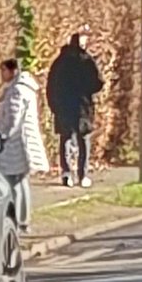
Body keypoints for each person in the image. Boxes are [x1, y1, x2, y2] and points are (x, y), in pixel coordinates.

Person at [0, 58, 50, 234]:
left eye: (3, 71)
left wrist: (3, 136)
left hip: (15, 144)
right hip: (22, 140)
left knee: (13, 181)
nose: (2, 75)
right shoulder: (25, 89)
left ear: (12, 71)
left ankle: (17, 220)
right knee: (21, 181)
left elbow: (13, 119)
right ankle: (23, 220)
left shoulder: (16, 91)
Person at [45, 28, 104, 188]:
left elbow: (51, 85)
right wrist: (87, 90)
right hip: (82, 106)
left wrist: (53, 104)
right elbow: (98, 83)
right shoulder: (87, 61)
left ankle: (66, 173)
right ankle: (82, 175)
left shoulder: (59, 61)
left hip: (63, 105)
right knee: (83, 139)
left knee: (65, 138)